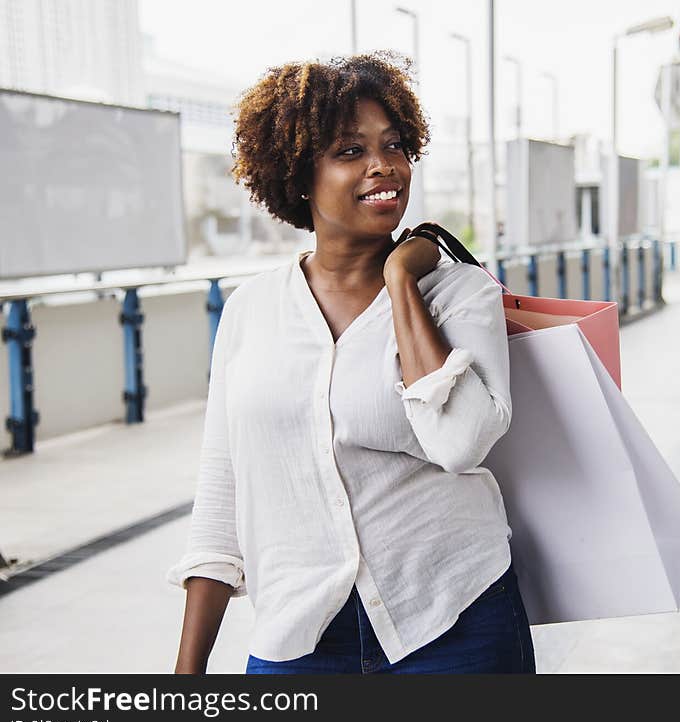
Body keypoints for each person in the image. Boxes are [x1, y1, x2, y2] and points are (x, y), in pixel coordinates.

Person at [167, 52, 536, 675]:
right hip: (299, 635)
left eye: (393, 145)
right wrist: (187, 672)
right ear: (298, 174)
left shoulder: (458, 293)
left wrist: (400, 281)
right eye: (349, 151)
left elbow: (462, 442)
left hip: (455, 619)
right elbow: (222, 493)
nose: (383, 166)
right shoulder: (250, 311)